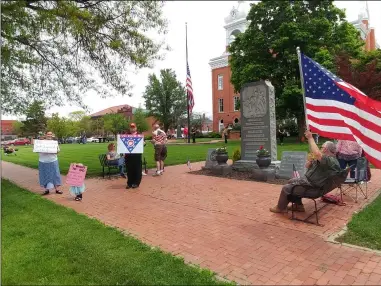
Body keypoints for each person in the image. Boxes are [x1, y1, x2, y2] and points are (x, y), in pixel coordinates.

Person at [270, 130, 341, 213]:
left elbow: (317, 153)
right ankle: (298, 205)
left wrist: (310, 138)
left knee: (287, 188)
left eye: (321, 147)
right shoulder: (327, 159)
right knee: (292, 181)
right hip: (314, 184)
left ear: (325, 149)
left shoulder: (329, 160)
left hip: (314, 188)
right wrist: (310, 162)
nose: (320, 148)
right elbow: (307, 166)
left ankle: (280, 208)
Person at [38, 131, 63, 196]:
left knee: (55, 175)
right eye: (48, 134)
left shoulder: (54, 143)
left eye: (50, 134)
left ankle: (57, 189)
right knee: (44, 175)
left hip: (53, 160)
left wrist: (56, 151)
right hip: (43, 161)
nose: (49, 135)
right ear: (45, 135)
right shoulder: (41, 142)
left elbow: (58, 151)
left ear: (52, 135)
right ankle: (46, 190)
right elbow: (37, 150)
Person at [125, 123, 144, 189]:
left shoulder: (139, 135)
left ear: (136, 128)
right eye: (131, 127)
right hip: (128, 155)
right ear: (129, 128)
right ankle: (129, 183)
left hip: (137, 155)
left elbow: (143, 144)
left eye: (133, 127)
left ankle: (136, 183)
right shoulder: (126, 135)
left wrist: (143, 143)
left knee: (137, 169)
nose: (132, 128)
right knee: (129, 169)